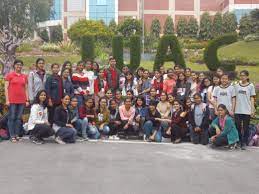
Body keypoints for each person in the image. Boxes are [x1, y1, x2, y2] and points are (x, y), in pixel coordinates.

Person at [5, 59, 29, 142]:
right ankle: (12, 135)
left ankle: (17, 134)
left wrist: (27, 100)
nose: (19, 66)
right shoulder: (10, 75)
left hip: (22, 101)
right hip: (12, 100)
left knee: (19, 118)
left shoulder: (24, 76)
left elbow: (26, 89)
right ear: (14, 65)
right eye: (17, 64)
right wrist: (7, 100)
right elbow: (6, 88)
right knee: (12, 118)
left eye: (20, 65)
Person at [234, 70, 256, 149]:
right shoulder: (236, 85)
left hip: (246, 110)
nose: (242, 77)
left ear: (247, 76)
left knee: (246, 128)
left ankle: (244, 142)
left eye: (243, 75)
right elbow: (234, 98)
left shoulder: (251, 86)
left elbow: (252, 98)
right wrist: (233, 109)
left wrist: (252, 110)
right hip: (237, 110)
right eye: (241, 75)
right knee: (238, 127)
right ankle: (239, 141)